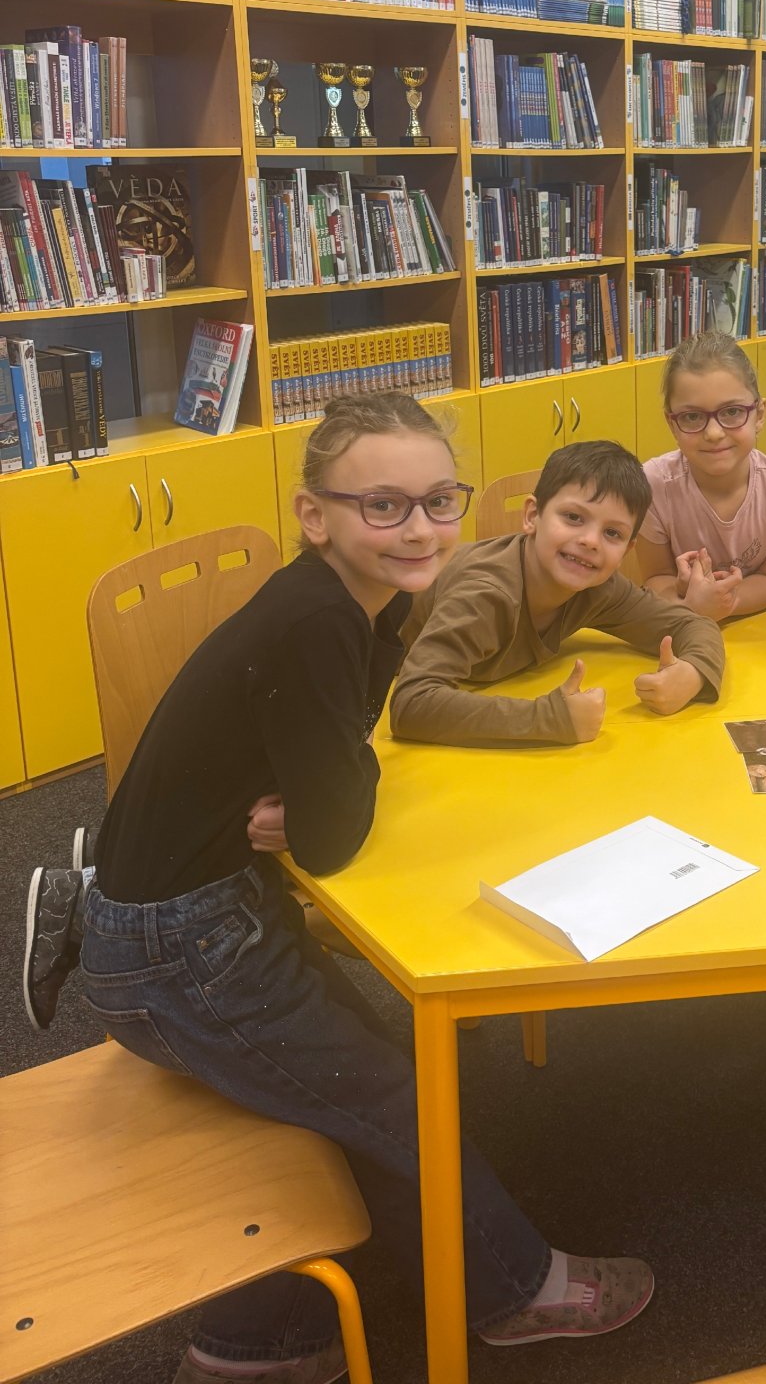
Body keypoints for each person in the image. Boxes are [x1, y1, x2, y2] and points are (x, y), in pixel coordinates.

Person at [23, 394, 653, 1384]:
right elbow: (330, 838)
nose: (421, 528)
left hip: (209, 913)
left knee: (370, 1065)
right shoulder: (319, 617)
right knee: (398, 1100)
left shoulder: (368, 601)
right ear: (315, 516)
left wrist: (327, 782)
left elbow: (351, 754)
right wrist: (328, 789)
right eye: (384, 506)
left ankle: (283, 1322)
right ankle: (500, 1293)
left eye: (439, 500)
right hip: (179, 949)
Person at [390, 438, 725, 746]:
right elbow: (412, 703)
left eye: (612, 533)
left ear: (627, 550)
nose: (590, 541)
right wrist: (551, 720)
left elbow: (692, 624)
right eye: (573, 517)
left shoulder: (599, 587)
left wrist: (693, 672)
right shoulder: (486, 595)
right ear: (532, 516)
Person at [635, 333, 766, 622]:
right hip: (679, 620)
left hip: (754, 620)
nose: (713, 433)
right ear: (671, 424)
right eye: (691, 417)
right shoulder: (652, 484)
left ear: (759, 415)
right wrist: (688, 601)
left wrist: (723, 603)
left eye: (733, 412)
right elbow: (656, 577)